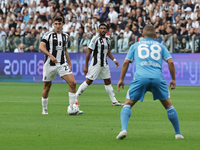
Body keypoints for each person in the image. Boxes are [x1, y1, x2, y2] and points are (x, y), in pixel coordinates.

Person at [116, 25, 184, 140]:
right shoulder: (160, 46)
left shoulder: (135, 45)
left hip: (141, 78)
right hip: (157, 78)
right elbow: (171, 62)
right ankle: (178, 133)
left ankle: (123, 129)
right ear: (155, 36)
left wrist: (121, 79)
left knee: (127, 104)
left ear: (142, 35)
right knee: (168, 106)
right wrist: (173, 79)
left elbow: (125, 63)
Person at [39, 16, 83, 115]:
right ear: (53, 24)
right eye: (56, 24)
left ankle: (72, 107)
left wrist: (69, 63)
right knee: (47, 87)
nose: (58, 26)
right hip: (50, 64)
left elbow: (65, 50)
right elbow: (41, 47)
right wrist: (50, 56)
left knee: (73, 83)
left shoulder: (65, 36)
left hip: (62, 64)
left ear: (62, 24)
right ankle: (44, 109)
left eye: (59, 24)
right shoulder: (48, 35)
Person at [76, 23, 123, 106]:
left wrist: (114, 60)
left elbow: (108, 51)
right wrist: (86, 66)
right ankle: (75, 98)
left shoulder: (108, 39)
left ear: (106, 30)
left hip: (104, 64)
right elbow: (88, 53)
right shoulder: (95, 39)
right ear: (98, 30)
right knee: (89, 81)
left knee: (108, 81)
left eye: (104, 28)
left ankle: (114, 101)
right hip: (96, 64)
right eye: (101, 28)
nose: (103, 30)